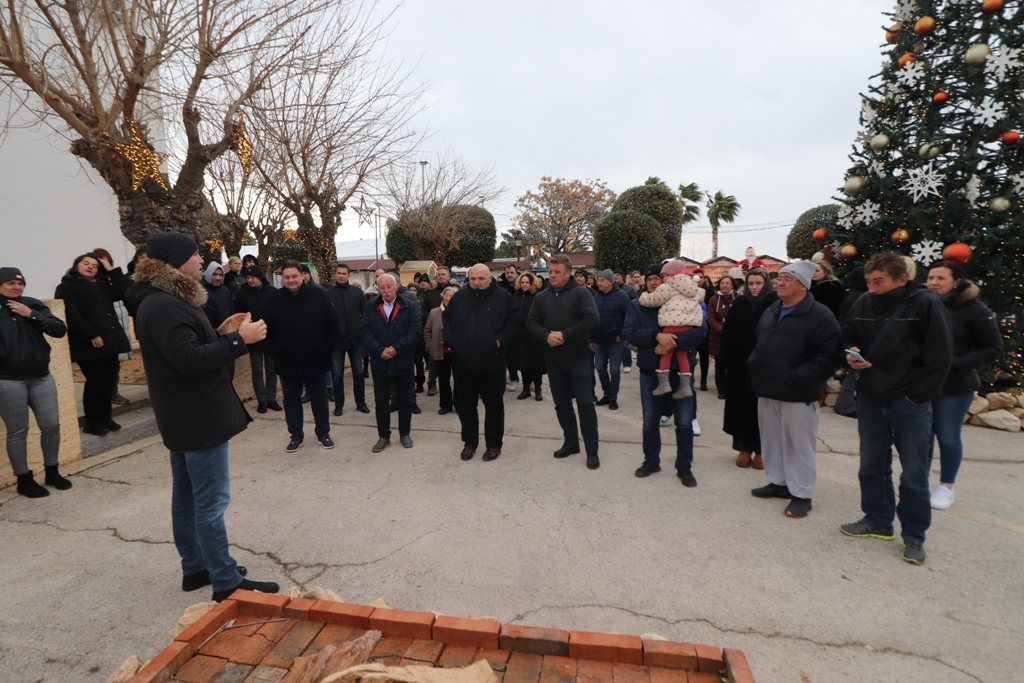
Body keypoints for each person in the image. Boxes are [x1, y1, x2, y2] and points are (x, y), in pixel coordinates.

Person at [133, 232, 278, 601]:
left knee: (187, 496)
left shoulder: (166, 300)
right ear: (175, 261)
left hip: (184, 417)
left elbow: (186, 347)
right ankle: (225, 579)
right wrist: (240, 340)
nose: (202, 260)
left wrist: (222, 332)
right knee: (210, 503)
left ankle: (197, 567)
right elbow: (188, 360)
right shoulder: (165, 304)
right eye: (196, 254)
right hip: (198, 418)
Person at [840, 253, 953, 565]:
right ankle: (877, 521)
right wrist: (851, 352)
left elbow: (940, 357)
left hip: (909, 403)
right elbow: (847, 333)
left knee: (914, 474)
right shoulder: (864, 302)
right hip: (871, 398)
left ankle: (914, 536)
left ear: (902, 279)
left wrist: (916, 397)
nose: (872, 288)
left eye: (879, 282)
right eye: (869, 281)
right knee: (871, 466)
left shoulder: (926, 304)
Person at [747, 262, 844, 518]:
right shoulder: (773, 308)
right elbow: (760, 340)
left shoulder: (820, 316)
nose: (779, 283)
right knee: (772, 440)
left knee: (800, 446)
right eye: (779, 278)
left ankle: (801, 495)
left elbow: (829, 355)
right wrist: (755, 364)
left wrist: (798, 377)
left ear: (802, 285)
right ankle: (778, 483)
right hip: (768, 388)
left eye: (786, 279)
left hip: (798, 393)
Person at [925, 260, 1002, 510]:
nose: (934, 282)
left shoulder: (974, 309)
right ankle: (917, 483)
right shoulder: (923, 302)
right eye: (931, 277)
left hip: (955, 386)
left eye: (941, 278)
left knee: (948, 437)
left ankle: (946, 487)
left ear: (957, 282)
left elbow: (993, 347)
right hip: (923, 383)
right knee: (921, 436)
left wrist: (954, 363)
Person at [623, 264, 707, 486]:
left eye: (658, 278)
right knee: (650, 421)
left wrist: (671, 342)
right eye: (649, 278)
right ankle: (651, 461)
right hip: (650, 372)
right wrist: (656, 337)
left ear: (669, 280)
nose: (653, 282)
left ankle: (684, 466)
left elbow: (700, 332)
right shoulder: (638, 304)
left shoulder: (688, 299)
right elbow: (630, 332)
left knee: (684, 422)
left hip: (681, 373)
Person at [0, 267, 71, 498]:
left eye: (20, 283)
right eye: (10, 283)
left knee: (51, 425)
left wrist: (31, 314)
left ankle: (52, 471)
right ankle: (24, 479)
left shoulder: (32, 304)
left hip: (41, 376)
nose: (17, 287)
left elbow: (59, 329)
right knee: (18, 431)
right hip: (8, 380)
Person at [526, 254, 601, 469]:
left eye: (557, 272)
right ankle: (571, 442)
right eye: (550, 271)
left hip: (578, 359)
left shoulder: (581, 294)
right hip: (554, 360)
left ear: (568, 273)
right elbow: (531, 322)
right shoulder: (542, 297)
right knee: (561, 404)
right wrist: (546, 336)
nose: (552, 275)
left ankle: (592, 450)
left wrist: (565, 335)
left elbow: (592, 320)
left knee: (585, 405)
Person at [262, 260, 340, 452]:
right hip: (287, 361)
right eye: (287, 277)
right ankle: (296, 436)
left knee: (319, 397)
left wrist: (326, 348)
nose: (291, 280)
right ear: (282, 278)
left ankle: (323, 434)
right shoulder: (274, 299)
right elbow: (265, 329)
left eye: (294, 276)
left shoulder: (318, 295)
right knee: (291, 399)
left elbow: (333, 324)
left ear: (302, 276)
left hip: (315, 359)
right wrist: (275, 350)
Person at [443, 264, 517, 461]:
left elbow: (513, 322)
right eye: (473, 279)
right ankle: (470, 442)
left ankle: (494, 444)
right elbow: (446, 320)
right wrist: (451, 341)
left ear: (490, 278)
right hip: (463, 363)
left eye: (481, 279)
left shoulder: (503, 297)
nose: (476, 282)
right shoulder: (459, 297)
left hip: (492, 363)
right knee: (465, 405)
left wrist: (499, 341)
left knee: (493, 406)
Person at [55, 252, 131, 435]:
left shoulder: (102, 285)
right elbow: (71, 314)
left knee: (108, 382)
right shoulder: (66, 287)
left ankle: (106, 418)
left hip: (110, 341)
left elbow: (124, 291)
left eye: (95, 265)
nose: (90, 267)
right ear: (76, 265)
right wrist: (90, 334)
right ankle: (92, 422)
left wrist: (111, 269)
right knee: (95, 382)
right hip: (89, 343)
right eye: (86, 263)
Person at [718, 267, 777, 469]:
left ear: (765, 284)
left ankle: (761, 450)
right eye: (751, 283)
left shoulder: (775, 304)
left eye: (758, 283)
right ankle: (743, 448)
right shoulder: (740, 303)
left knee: (763, 409)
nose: (754, 287)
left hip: (765, 366)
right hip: (740, 365)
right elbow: (727, 333)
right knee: (741, 407)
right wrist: (724, 359)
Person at [360, 273, 422, 452]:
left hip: (403, 361)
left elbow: (415, 332)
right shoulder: (370, 306)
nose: (386, 290)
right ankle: (383, 436)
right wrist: (380, 350)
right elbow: (365, 331)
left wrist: (396, 348)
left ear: (397, 286)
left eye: (389, 286)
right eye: (382, 287)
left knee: (404, 400)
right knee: (381, 402)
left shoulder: (409, 306)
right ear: (378, 289)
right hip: (380, 363)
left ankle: (405, 433)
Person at [639, 261, 705, 399]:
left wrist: (643, 296)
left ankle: (663, 383)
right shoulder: (693, 286)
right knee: (682, 354)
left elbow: (654, 300)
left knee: (666, 352)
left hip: (672, 324)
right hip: (689, 325)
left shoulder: (668, 286)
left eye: (664, 276)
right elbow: (700, 296)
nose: (664, 279)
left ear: (672, 275)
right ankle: (685, 386)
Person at [234, 264, 280, 413]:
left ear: (260, 277)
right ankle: (262, 400)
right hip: (253, 339)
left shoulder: (272, 292)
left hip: (270, 336)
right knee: (257, 370)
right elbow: (238, 314)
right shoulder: (242, 293)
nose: (250, 280)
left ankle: (271, 398)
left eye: (252, 277)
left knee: (271, 369)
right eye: (247, 277)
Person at [326, 263, 370, 417]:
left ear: (349, 275)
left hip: (355, 340)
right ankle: (339, 405)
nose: (341, 276)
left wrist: (360, 329)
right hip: (336, 342)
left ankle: (361, 403)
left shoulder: (357, 293)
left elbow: (365, 313)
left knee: (358, 372)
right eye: (339, 273)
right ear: (335, 275)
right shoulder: (328, 294)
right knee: (337, 375)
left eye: (344, 273)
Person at [92, 248, 134, 406]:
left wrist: (111, 270)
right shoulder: (93, 285)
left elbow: (124, 291)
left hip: (115, 330)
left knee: (114, 365)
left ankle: (112, 392)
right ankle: (104, 396)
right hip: (98, 333)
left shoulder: (111, 282)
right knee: (100, 370)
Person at [590, 270, 631, 410]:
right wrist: (591, 338)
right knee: (600, 368)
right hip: (599, 340)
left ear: (610, 282)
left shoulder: (622, 296)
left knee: (614, 370)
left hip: (615, 341)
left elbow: (629, 318)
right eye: (599, 280)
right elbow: (592, 318)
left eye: (602, 280)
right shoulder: (596, 297)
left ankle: (613, 398)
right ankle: (607, 394)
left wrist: (622, 335)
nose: (599, 283)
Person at [509, 272, 546, 401]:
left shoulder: (538, 296)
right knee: (524, 364)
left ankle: (538, 389)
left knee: (536, 365)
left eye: (527, 282)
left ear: (532, 284)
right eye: (523, 282)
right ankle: (526, 389)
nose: (524, 285)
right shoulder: (515, 296)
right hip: (519, 336)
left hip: (534, 336)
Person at [421, 266, 455, 396]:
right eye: (439, 274)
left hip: (452, 342)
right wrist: (430, 319)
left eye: (443, 274)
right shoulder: (431, 292)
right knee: (433, 363)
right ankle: (432, 384)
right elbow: (424, 309)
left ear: (448, 276)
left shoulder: (455, 290)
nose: (441, 276)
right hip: (435, 331)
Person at [424, 287, 458, 415]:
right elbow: (427, 330)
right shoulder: (434, 312)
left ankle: (459, 404)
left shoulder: (459, 311)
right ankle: (445, 405)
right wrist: (429, 345)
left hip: (456, 352)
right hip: (440, 351)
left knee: (459, 380)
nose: (448, 298)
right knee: (443, 380)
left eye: (451, 295)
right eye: (446, 295)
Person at [707, 275, 737, 399]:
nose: (724, 285)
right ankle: (721, 390)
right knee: (719, 365)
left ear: (732, 285)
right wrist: (722, 329)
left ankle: (732, 388)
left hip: (734, 336)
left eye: (727, 283)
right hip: (718, 337)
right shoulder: (713, 299)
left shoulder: (738, 298)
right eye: (722, 283)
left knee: (733, 364)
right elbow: (710, 318)